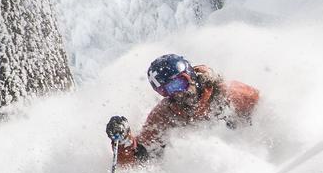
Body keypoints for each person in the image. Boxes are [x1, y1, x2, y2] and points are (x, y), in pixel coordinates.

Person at [106, 53, 260, 166]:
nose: (178, 94)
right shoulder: (166, 114)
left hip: (246, 156)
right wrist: (123, 141)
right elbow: (136, 158)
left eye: (178, 84)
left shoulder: (225, 92)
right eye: (166, 91)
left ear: (190, 75)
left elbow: (263, 110)